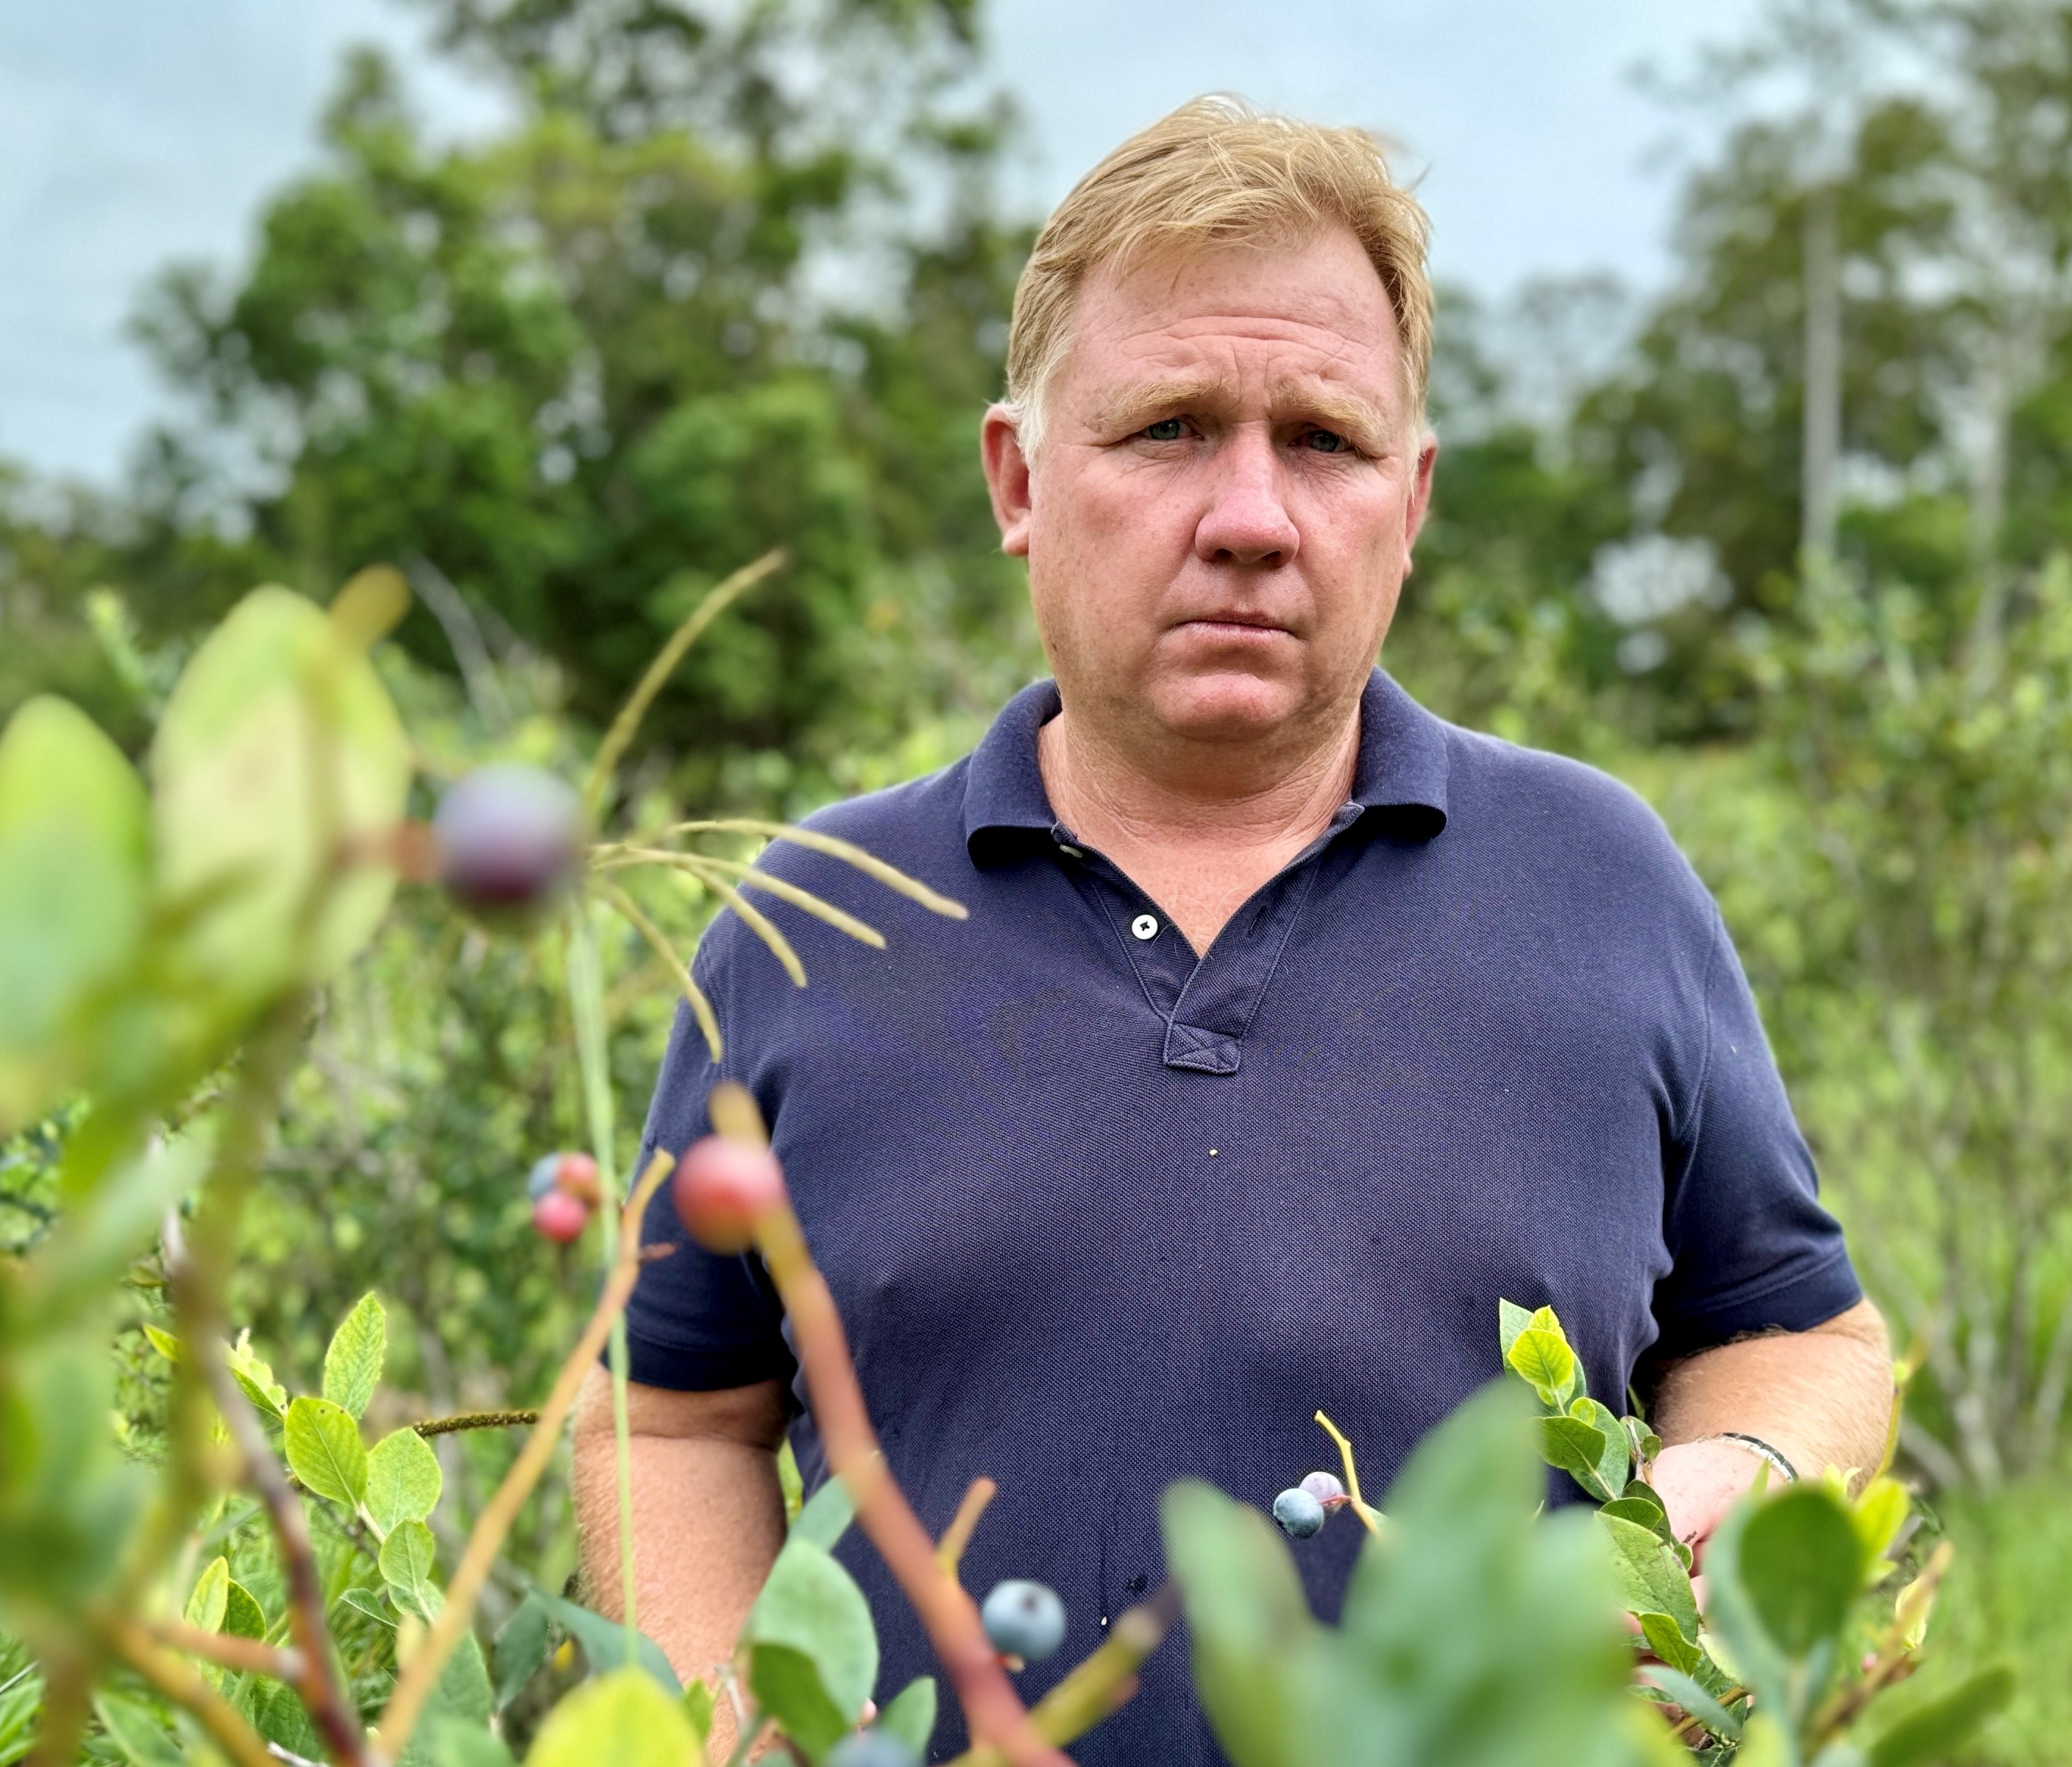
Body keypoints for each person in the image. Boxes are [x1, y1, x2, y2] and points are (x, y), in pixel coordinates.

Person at [570, 95, 1895, 1763]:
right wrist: (716, 1723)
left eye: (1322, 440)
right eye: (1169, 427)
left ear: (1406, 502)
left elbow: (1795, 1331)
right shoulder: (812, 920)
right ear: (1017, 479)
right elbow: (670, 1414)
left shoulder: (1600, 881)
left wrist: (1747, 1472)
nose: (1251, 515)